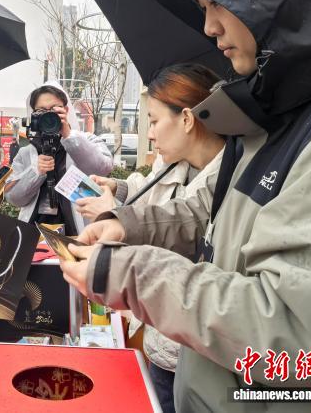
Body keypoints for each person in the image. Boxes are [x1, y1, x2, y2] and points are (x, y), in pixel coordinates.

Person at [61, 0, 311, 411]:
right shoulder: (273, 117)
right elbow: (212, 216)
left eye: (218, 3)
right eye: (202, 9)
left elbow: (294, 335)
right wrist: (128, 226)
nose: (208, 27)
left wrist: (130, 272)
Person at [74, 64, 224, 413]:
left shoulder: (226, 181)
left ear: (186, 119)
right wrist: (118, 189)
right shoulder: (174, 161)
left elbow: (176, 228)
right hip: (162, 337)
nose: (151, 134)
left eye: (154, 121)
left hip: (196, 343)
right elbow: (148, 195)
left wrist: (116, 216)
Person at [5, 82, 113, 236]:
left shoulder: (87, 140)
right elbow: (14, 198)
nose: (48, 115)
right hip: (34, 234)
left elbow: (103, 169)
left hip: (81, 233)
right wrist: (36, 172)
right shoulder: (26, 152)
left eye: (54, 109)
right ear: (33, 115)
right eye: (41, 111)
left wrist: (69, 136)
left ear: (66, 110)